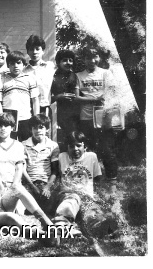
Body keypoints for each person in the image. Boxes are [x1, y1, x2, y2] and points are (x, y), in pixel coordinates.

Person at [0, 112, 58, 241]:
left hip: (13, 188)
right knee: (9, 220)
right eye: (0, 126)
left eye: (6, 126)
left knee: (17, 189)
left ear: (12, 128)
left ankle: (46, 223)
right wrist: (2, 187)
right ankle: (43, 227)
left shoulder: (18, 145)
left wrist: (13, 185)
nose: (3, 129)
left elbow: (19, 168)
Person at [51, 131, 118, 238]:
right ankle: (61, 224)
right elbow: (55, 174)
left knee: (92, 212)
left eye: (78, 145)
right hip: (68, 194)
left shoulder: (92, 157)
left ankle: (101, 227)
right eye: (71, 146)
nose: (75, 149)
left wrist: (99, 194)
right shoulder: (62, 157)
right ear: (67, 148)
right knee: (71, 201)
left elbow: (97, 178)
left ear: (85, 146)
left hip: (86, 196)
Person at [75, 45, 118, 193]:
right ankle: (93, 181)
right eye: (88, 57)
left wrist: (100, 99)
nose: (92, 60)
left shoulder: (106, 73)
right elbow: (76, 98)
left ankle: (112, 181)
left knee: (107, 148)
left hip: (103, 116)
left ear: (99, 58)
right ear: (84, 59)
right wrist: (93, 99)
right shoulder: (79, 76)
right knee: (90, 149)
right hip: (86, 118)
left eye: (95, 57)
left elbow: (111, 92)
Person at [22, 114, 60, 215]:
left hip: (45, 182)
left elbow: (55, 170)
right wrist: (31, 186)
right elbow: (22, 169)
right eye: (35, 128)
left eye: (41, 127)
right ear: (31, 129)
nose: (38, 130)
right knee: (26, 204)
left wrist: (47, 187)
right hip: (29, 182)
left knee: (50, 204)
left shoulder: (53, 145)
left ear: (47, 129)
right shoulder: (23, 145)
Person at [1, 51, 39, 141]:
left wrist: (36, 118)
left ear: (24, 64)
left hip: (25, 117)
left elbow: (35, 100)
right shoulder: (2, 79)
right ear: (8, 65)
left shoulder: (29, 78)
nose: (15, 66)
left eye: (18, 63)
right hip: (8, 118)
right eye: (12, 63)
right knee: (9, 142)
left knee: (26, 142)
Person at [51, 50, 80, 148]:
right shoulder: (53, 76)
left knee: (72, 135)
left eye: (70, 60)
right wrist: (59, 96)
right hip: (57, 110)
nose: (68, 63)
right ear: (58, 62)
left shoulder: (73, 76)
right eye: (64, 60)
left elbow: (76, 95)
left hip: (72, 111)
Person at [23, 35, 56, 117]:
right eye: (31, 49)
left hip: (44, 107)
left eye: (37, 49)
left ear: (43, 51)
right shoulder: (23, 71)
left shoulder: (50, 67)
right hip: (28, 108)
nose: (34, 52)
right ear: (27, 52)